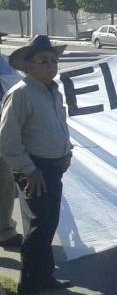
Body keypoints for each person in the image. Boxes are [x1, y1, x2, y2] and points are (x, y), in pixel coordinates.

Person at [0, 35, 74, 293]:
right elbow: (6, 140)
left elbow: (59, 124)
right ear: (28, 65)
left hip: (52, 168)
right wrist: (29, 170)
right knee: (37, 228)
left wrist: (67, 151)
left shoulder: (52, 90)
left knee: (47, 225)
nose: (51, 65)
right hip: (35, 170)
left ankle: (45, 276)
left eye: (54, 60)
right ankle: (30, 286)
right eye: (43, 61)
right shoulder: (20, 94)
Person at [0, 55, 22, 250]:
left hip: (4, 131)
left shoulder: (4, 63)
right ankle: (4, 231)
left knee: (5, 183)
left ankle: (4, 230)